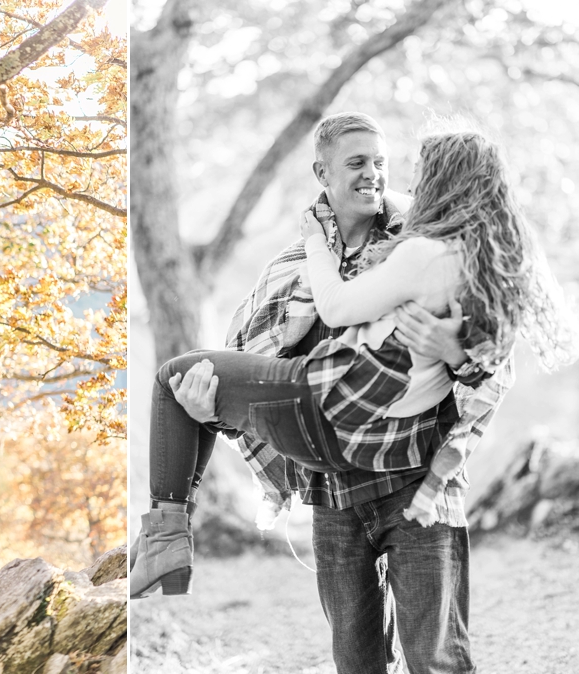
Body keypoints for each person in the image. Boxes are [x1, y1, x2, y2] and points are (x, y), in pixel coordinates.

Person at [131, 115, 575, 672]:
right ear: (322, 173)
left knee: (435, 658)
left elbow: (494, 359)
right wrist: (211, 413)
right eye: (357, 163)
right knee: (355, 660)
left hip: (414, 480)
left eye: (381, 162)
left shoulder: (424, 239)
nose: (374, 175)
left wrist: (455, 350)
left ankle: (163, 538)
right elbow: (274, 378)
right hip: (332, 489)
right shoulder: (295, 265)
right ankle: (166, 540)